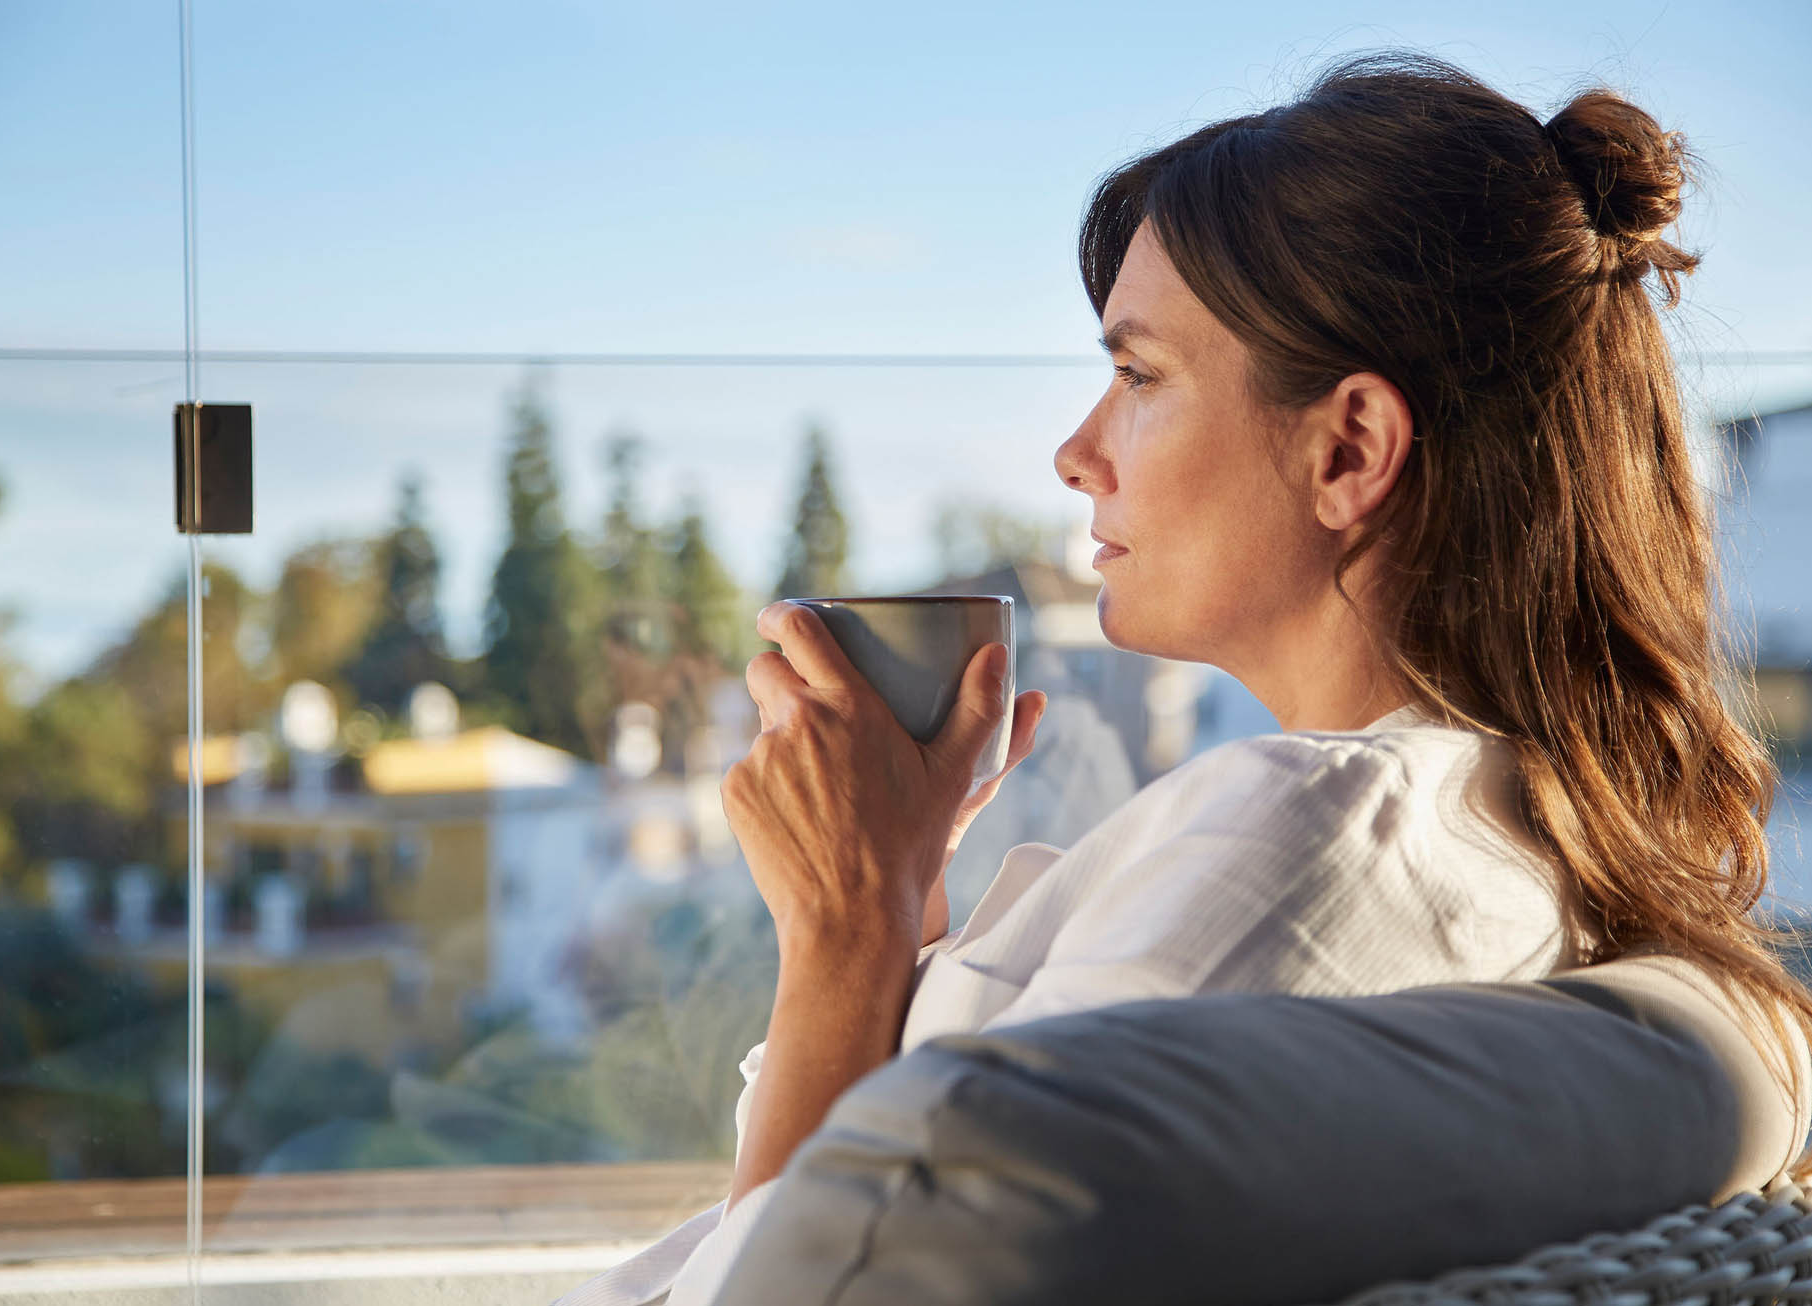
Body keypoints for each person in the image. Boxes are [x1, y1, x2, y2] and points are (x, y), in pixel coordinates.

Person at [557, 49, 1812, 1306]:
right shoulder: (1508, 827)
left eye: (1138, 375)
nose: (1075, 452)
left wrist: (842, 925)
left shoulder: (1299, 837)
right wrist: (900, 906)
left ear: (1350, 448)